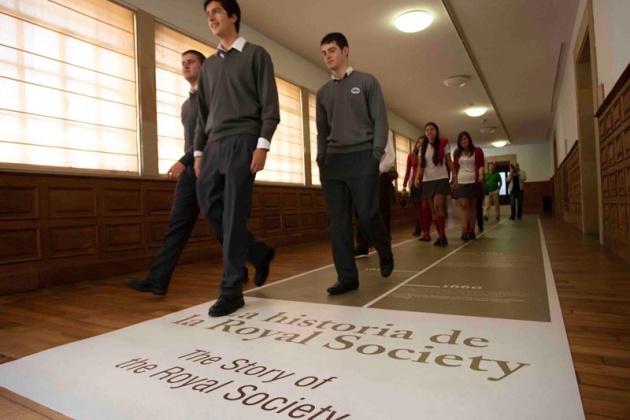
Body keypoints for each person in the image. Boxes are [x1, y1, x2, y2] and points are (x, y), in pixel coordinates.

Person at [124, 50, 248, 296]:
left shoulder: (214, 98)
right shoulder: (185, 105)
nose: (185, 66)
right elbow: (193, 138)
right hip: (190, 173)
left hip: (212, 168)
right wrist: (188, 162)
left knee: (222, 223)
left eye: (191, 62)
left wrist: (184, 159)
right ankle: (158, 280)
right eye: (182, 63)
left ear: (205, 67)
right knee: (177, 225)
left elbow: (210, 136)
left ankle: (240, 268)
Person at [194, 0, 279, 317]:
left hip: (244, 141)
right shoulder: (210, 66)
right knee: (210, 206)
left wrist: (262, 144)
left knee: (233, 215)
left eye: (216, 12)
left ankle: (231, 290)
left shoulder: (257, 55)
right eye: (207, 15)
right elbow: (203, 115)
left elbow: (270, 106)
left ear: (233, 16)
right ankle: (257, 252)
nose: (211, 18)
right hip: (214, 145)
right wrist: (199, 151)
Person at [316, 32, 394, 295]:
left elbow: (381, 121)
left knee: (368, 213)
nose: (327, 55)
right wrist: (321, 159)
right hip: (334, 162)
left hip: (363, 157)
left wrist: (375, 156)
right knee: (338, 222)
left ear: (345, 51)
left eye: (332, 50)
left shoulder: (367, 82)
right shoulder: (323, 93)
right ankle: (347, 277)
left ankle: (384, 250)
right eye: (324, 51)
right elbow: (321, 131)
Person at [413, 122, 456, 247]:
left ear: (436, 131)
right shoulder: (422, 148)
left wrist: (455, 175)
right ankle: (441, 236)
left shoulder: (443, 144)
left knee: (438, 206)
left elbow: (449, 161)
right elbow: (421, 165)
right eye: (427, 130)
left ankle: (442, 235)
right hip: (427, 180)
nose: (429, 132)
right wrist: (417, 178)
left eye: (432, 129)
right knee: (433, 211)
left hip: (441, 178)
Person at [355, 131, 397, 255]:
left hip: (379, 175)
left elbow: (390, 155)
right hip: (361, 174)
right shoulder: (357, 129)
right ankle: (363, 243)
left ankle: (383, 243)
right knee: (360, 209)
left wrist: (379, 170)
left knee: (381, 210)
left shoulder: (384, 130)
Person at [452, 131, 485, 241]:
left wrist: (481, 175)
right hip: (461, 181)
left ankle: (472, 231)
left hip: (473, 181)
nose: (463, 141)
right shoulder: (457, 153)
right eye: (461, 140)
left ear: (469, 139)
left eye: (465, 139)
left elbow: (480, 165)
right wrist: (455, 179)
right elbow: (455, 168)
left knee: (472, 207)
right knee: (463, 205)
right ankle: (464, 231)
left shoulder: (477, 151)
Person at [402, 136, 432, 242]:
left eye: (422, 143)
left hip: (427, 182)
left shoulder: (428, 154)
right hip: (416, 184)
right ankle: (425, 232)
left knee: (425, 208)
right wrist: (404, 184)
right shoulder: (411, 155)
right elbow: (407, 170)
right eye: (418, 142)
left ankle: (427, 231)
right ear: (416, 144)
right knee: (419, 210)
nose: (420, 144)